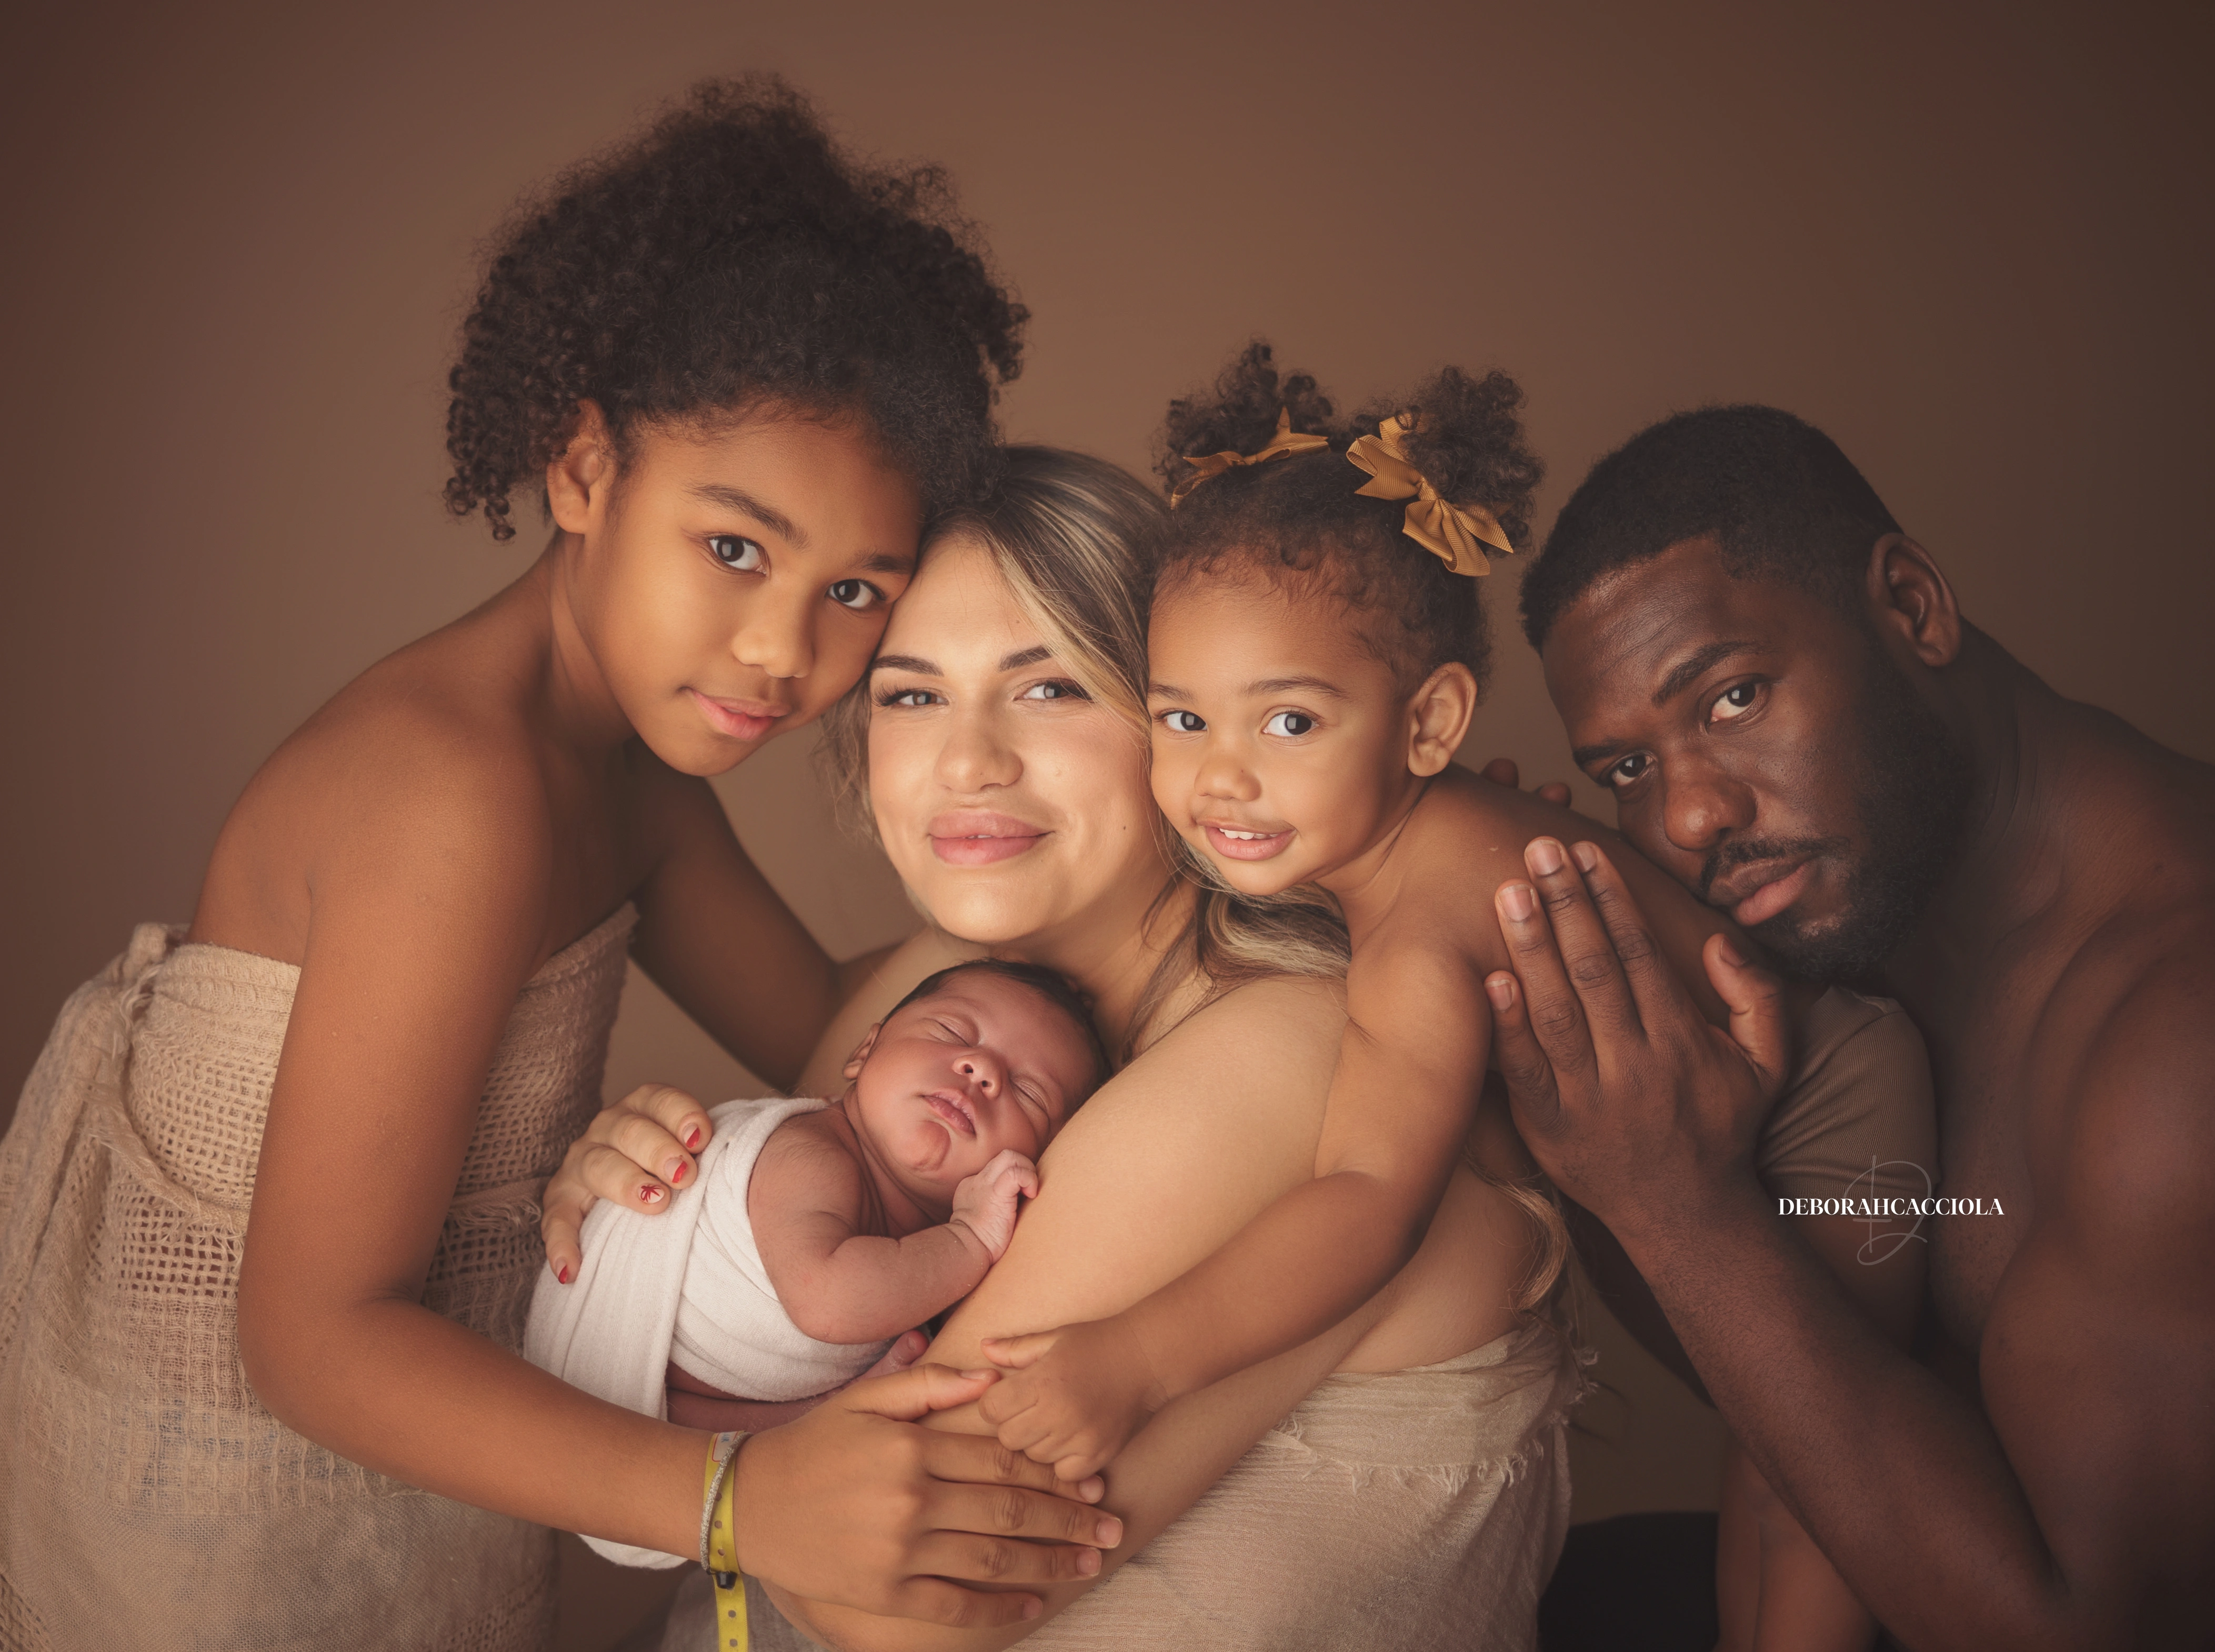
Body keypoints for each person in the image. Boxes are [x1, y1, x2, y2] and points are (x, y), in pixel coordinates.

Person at [0, 79, 1119, 1650]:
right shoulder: (455, 793)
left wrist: (1195, 913)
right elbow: (309, 1341)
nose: (782, 648)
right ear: (583, 467)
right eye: (734, 547)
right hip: (223, 1512)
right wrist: (738, 1498)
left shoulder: (626, 769)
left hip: (429, 1476)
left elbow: (841, 1024)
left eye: (856, 588)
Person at [553, 427, 1930, 1652]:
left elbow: (884, 1600)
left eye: (1047, 688)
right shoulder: (934, 991)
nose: (966, 758)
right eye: (910, 694)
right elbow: (781, 1387)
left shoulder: (1283, 1054)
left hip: (1829, 1134)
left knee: (1823, 1483)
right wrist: (649, 1225)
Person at [969, 346, 1930, 1652]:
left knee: (1814, 1476)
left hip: (1835, 1103)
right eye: (1180, 720)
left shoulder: (1415, 938)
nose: (1221, 780)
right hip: (1797, 1083)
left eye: (1288, 723)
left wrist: (1130, 1357)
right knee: (1772, 1469)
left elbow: (1365, 1205)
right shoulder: (1425, 840)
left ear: (1426, 725)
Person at [1485, 405, 2215, 1647]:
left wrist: (1673, 1211)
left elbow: (2071, 1628)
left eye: (1733, 696)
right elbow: (1809, 1363)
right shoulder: (1864, 921)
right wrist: (1578, 1108)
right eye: (1624, 768)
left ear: (1910, 608)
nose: (1687, 814)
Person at [526, 958, 1108, 1571]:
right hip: (607, 1381)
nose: (982, 1069)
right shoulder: (814, 1152)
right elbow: (829, 1296)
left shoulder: (924, 1263)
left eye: (1028, 1092)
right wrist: (969, 1237)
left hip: (683, 1430)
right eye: (951, 1033)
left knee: (767, 1442)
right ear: (863, 1054)